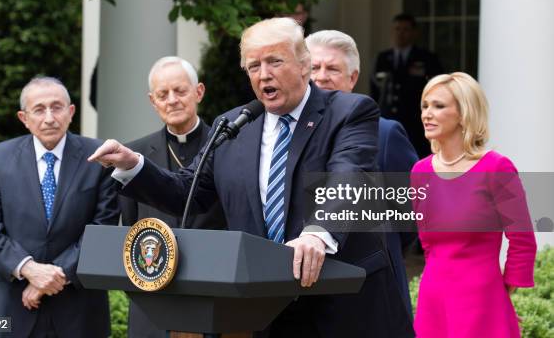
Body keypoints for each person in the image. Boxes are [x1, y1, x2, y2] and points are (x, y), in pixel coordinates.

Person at [90, 17, 412, 337]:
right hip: (266, 312)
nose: (264, 74)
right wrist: (134, 165)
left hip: (344, 308)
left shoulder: (349, 112)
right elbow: (188, 191)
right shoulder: (233, 125)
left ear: (303, 64)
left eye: (274, 61)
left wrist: (318, 233)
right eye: (254, 66)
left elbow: (348, 176)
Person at [0, 77, 119, 338]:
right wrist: (28, 268)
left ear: (71, 112)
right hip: (8, 305)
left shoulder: (98, 157)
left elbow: (103, 226)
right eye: (39, 109)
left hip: (78, 307)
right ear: (23, 117)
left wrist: (53, 277)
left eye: (57, 107)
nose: (49, 118)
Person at [411, 72, 537, 337]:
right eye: (425, 106)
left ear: (464, 114)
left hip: (482, 299)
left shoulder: (496, 168)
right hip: (433, 298)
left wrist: (503, 290)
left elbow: (523, 238)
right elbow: (427, 244)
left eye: (439, 106)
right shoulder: (420, 171)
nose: (427, 114)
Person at [306, 29, 418, 317]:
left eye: (332, 68)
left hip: (373, 292)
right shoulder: (289, 138)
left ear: (352, 78)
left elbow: (410, 214)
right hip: (305, 295)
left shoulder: (386, 134)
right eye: (314, 68)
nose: (321, 76)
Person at [120, 56, 226, 338]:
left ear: (198, 92)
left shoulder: (227, 147)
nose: (172, 100)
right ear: (153, 101)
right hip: (153, 294)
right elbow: (132, 221)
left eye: (180, 91)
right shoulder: (135, 155)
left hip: (212, 291)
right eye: (163, 95)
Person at [371, 13, 443, 158]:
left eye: (405, 29)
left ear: (414, 32)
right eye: (397, 29)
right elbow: (375, 88)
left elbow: (437, 89)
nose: (401, 33)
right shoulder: (384, 58)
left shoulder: (426, 58)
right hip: (388, 118)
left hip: (416, 123)